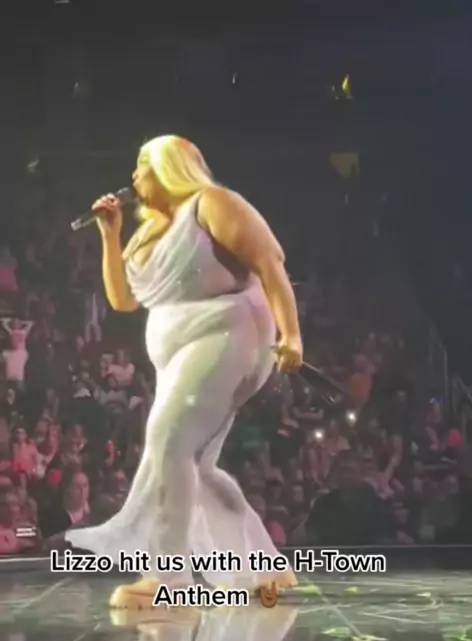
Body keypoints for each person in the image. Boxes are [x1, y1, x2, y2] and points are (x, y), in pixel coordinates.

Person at [65, 135, 303, 608]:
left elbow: (269, 263)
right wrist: (110, 235)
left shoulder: (212, 204)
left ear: (170, 168)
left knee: (169, 440)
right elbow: (123, 300)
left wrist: (291, 334)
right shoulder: (148, 233)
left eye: (143, 165)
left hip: (229, 335)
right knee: (195, 464)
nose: (134, 176)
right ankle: (264, 569)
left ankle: (168, 582)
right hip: (181, 353)